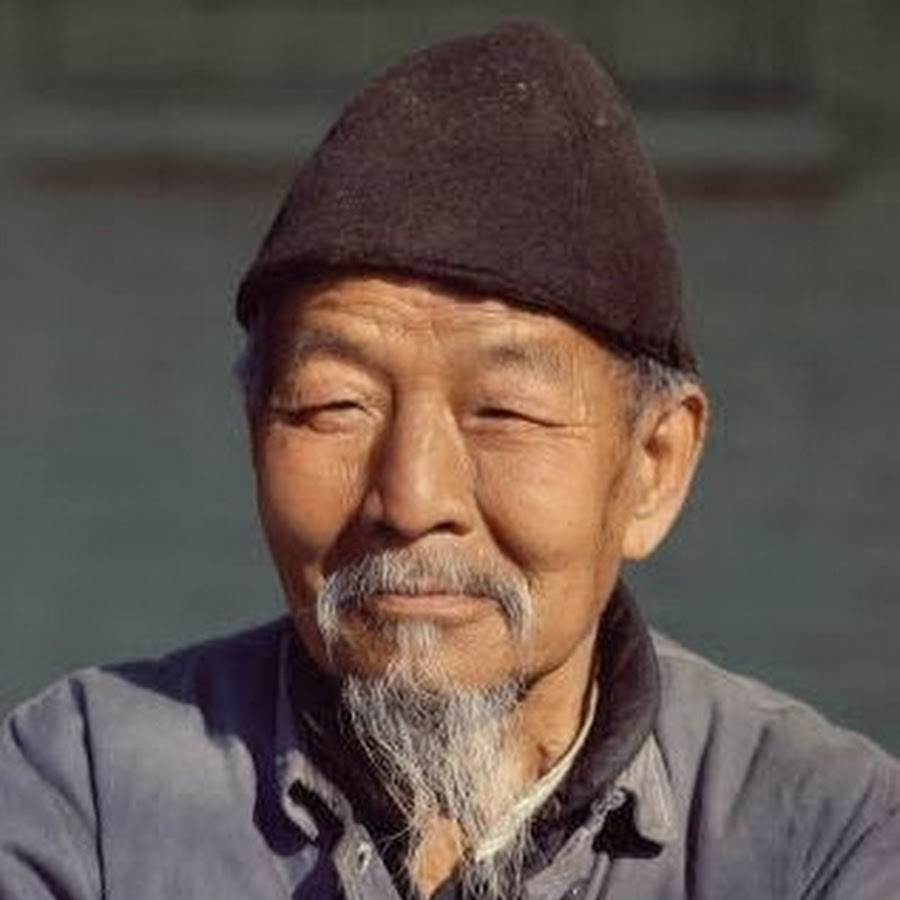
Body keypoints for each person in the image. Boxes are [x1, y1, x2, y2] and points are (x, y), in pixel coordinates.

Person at [1, 20, 897, 900]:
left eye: (504, 412)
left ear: (654, 467)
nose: (412, 496)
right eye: (334, 406)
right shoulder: (85, 793)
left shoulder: (823, 836)